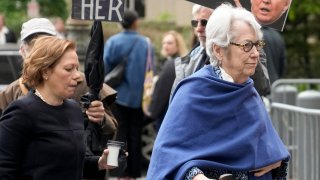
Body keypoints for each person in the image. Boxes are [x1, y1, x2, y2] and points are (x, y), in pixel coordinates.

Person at [147, 4, 290, 180]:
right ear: (218, 50)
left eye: (257, 45)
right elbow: (168, 154)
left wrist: (275, 159)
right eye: (246, 45)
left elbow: (271, 147)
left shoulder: (249, 91)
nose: (255, 54)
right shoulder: (192, 91)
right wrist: (196, 176)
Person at [0, 18, 118, 178]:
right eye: (69, 69)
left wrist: (99, 162)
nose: (77, 76)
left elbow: (70, 159)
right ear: (45, 71)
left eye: (77, 68)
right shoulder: (21, 111)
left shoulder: (73, 108)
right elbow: (5, 169)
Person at [172, 4, 270, 97]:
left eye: (204, 22)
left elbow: (262, 88)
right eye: (195, 23)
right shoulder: (189, 61)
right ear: (217, 51)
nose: (198, 28)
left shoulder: (253, 52)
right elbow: (178, 103)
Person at [103, 10, 151, 179]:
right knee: (135, 135)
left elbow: (104, 68)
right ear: (135, 22)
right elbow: (150, 71)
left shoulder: (113, 42)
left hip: (116, 97)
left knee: (116, 135)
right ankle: (134, 173)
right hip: (138, 98)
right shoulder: (146, 43)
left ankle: (116, 172)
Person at [148, 30, 188, 131]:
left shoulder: (172, 64)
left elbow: (162, 92)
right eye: (164, 43)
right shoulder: (181, 62)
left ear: (178, 45)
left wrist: (152, 112)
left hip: (167, 113)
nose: (166, 45)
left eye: (170, 43)